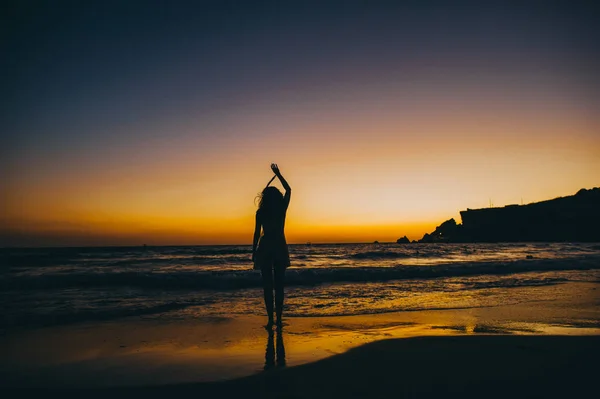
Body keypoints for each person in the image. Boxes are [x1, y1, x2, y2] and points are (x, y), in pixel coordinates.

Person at [252, 163, 291, 327]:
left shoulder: (261, 212)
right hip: (279, 246)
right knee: (279, 285)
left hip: (265, 246)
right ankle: (279, 320)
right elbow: (288, 190)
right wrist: (279, 174)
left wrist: (253, 252)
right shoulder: (281, 209)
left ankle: (270, 320)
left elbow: (256, 233)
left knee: (267, 286)